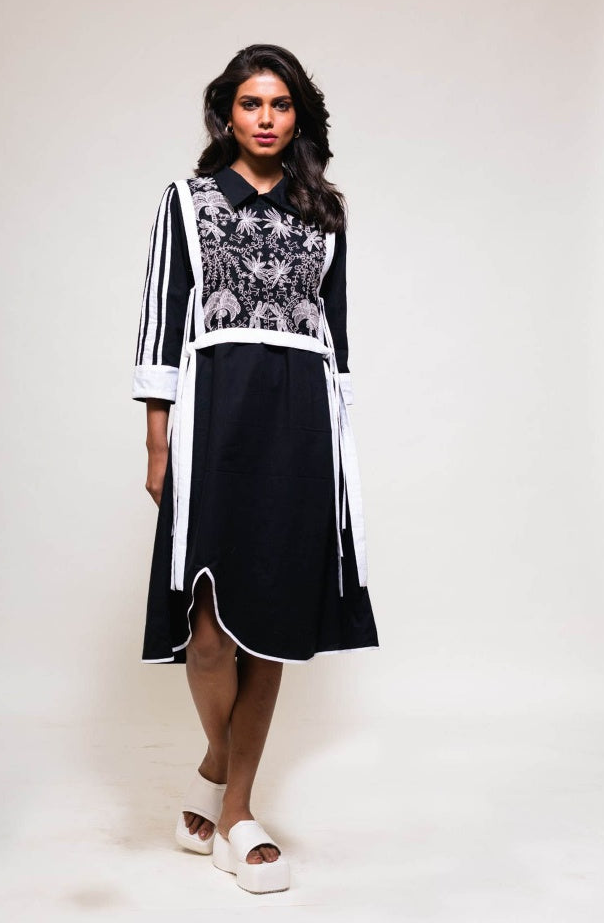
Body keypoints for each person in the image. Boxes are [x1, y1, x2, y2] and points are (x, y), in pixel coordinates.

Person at [131, 44, 379, 895]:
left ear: (298, 116)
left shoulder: (325, 211)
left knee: (269, 620)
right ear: (227, 114)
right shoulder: (188, 201)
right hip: (217, 412)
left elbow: (337, 335)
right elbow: (161, 317)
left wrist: (336, 448)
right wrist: (158, 441)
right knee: (207, 634)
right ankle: (216, 764)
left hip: (300, 418)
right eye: (250, 104)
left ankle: (235, 809)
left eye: (280, 104)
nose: (266, 118)